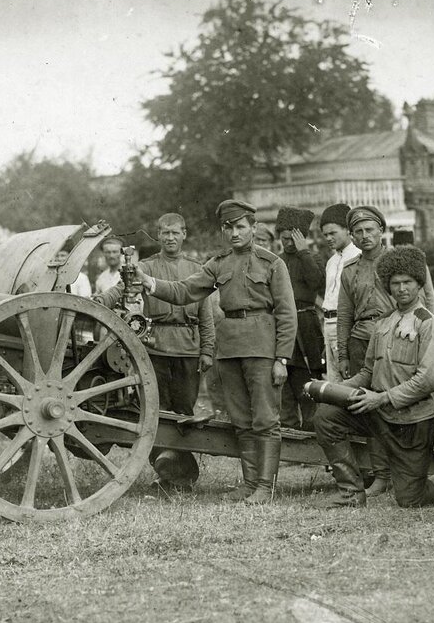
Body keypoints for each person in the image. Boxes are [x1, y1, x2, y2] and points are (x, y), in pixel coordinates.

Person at [134, 199, 296, 504]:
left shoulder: (272, 263)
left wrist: (281, 358)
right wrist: (150, 282)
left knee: (265, 419)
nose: (234, 233)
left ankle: (265, 486)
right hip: (229, 350)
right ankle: (250, 484)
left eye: (240, 227)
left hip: (262, 347)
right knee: (241, 421)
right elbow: (184, 291)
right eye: (229, 228)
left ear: (253, 228)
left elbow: (287, 313)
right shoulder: (218, 264)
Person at [313, 245, 434, 508]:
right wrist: (334, 390)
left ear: (419, 283)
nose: (401, 289)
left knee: (410, 499)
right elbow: (366, 372)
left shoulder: (428, 323)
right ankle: (351, 492)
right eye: (395, 283)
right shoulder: (383, 322)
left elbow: (428, 380)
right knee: (327, 416)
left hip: (412, 423)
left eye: (407, 282)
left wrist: (382, 398)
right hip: (380, 416)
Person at [98, 213, 216, 490]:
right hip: (155, 348)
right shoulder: (145, 267)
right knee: (155, 412)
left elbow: (206, 316)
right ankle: (166, 474)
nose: (170, 238)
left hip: (188, 348)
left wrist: (207, 350)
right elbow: (119, 289)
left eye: (175, 233)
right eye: (165, 233)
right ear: (158, 236)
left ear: (184, 234)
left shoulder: (196, 269)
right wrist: (100, 301)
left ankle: (184, 477)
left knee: (184, 414)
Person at [336, 204, 434, 496]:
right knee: (369, 409)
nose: (365, 236)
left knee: (400, 402)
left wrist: (418, 335)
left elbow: (426, 299)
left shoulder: (402, 261)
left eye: (370, 230)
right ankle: (380, 474)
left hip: (400, 339)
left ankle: (406, 470)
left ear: (382, 230)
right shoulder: (350, 269)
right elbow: (345, 315)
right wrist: (343, 354)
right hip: (362, 341)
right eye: (358, 232)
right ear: (352, 237)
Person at [275, 206, 326, 430]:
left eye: (293, 239)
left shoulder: (313, 259)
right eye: (284, 238)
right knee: (284, 384)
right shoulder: (275, 261)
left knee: (308, 381)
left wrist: (304, 252)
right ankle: (288, 431)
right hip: (281, 325)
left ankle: (311, 433)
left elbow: (316, 282)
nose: (288, 243)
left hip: (306, 326)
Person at [319, 203, 357, 383]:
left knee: (349, 381)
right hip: (328, 325)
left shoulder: (357, 256)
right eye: (325, 234)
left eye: (332, 233)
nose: (328, 238)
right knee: (333, 383)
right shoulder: (331, 261)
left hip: (345, 326)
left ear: (347, 229)